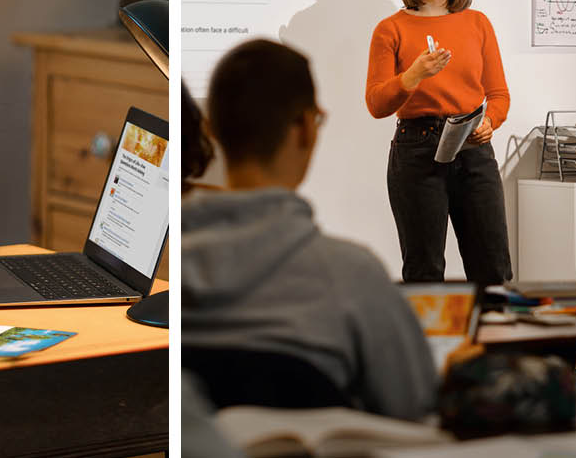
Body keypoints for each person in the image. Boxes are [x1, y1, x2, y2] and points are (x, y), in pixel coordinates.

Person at [183, 39, 437, 420]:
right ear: (305, 127)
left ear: (211, 130)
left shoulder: (171, 282)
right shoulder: (353, 276)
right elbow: (417, 410)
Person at [365, 0, 512, 284]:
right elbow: (376, 103)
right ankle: (429, 343)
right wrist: (413, 76)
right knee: (424, 273)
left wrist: (490, 121)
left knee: (493, 270)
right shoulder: (391, 29)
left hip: (474, 150)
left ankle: (493, 342)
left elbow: (498, 95)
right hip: (417, 151)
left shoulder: (477, 23)